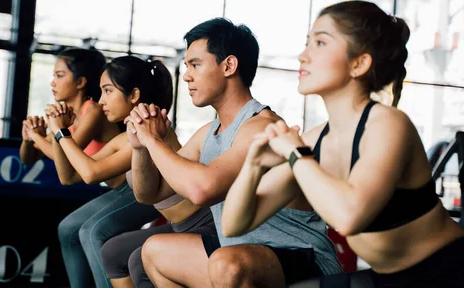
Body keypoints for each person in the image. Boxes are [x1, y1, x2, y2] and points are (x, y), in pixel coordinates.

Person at [221, 0, 464, 288]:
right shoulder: (314, 141)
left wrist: (295, 154)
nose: (303, 56)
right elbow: (235, 224)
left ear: (359, 63)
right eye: (307, 43)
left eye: (320, 43)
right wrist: (253, 164)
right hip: (389, 279)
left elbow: (349, 216)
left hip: (456, 275)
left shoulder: (387, 124)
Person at [125, 18, 342, 287]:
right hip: (241, 257)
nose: (188, 75)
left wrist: (151, 138)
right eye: (187, 67)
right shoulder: (209, 132)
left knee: (227, 264)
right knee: (155, 251)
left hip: (301, 257)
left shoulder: (262, 127)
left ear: (229, 65)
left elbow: (202, 189)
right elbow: (150, 193)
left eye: (195, 64)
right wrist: (140, 147)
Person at [46, 56, 180, 288]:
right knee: (69, 229)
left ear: (134, 95)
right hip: (144, 198)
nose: (101, 101)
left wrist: (61, 134)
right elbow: (69, 176)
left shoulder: (149, 127)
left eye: (108, 91)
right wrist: (62, 133)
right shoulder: (125, 136)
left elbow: (90, 173)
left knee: (93, 232)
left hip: (179, 216)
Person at [19, 48, 119, 164]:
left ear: (80, 82)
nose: (53, 83)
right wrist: (27, 141)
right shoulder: (66, 117)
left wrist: (34, 135)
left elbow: (65, 155)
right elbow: (28, 159)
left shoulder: (94, 111)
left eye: (59, 76)